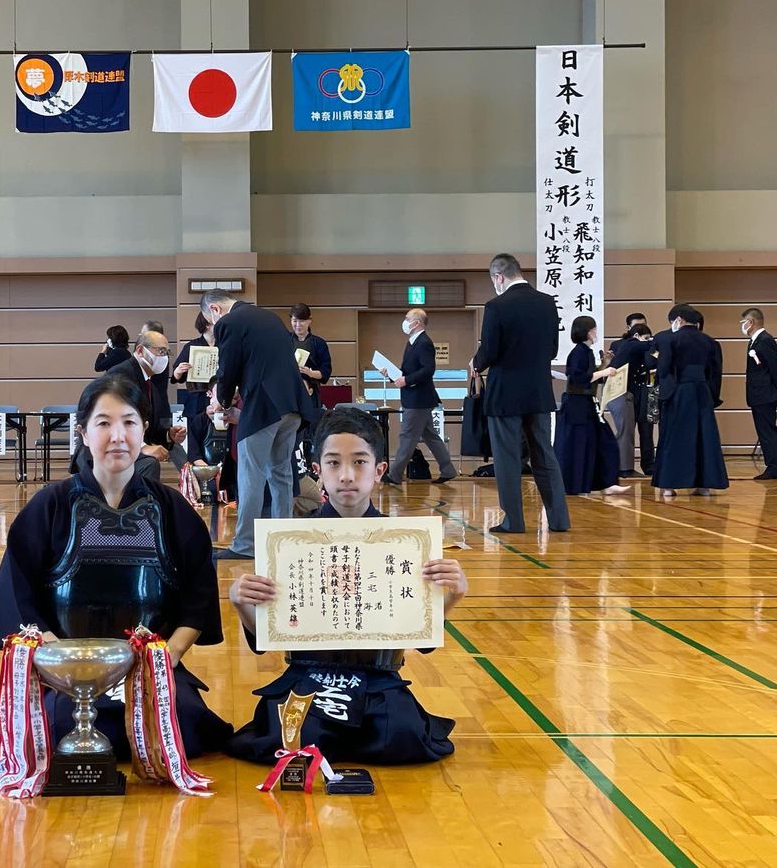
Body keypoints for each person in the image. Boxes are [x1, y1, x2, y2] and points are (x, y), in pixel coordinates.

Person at [0, 373, 232, 762]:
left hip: (150, 673)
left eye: (129, 422)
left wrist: (166, 658)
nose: (118, 435)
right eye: (104, 423)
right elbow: (19, 596)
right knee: (55, 729)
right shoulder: (50, 506)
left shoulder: (172, 510)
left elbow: (197, 597)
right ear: (83, 432)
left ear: (144, 430)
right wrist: (64, 666)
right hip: (66, 676)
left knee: (184, 723)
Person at [226, 407, 466, 765]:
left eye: (359, 463)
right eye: (334, 464)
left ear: (379, 470)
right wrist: (240, 603)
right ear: (318, 470)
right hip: (308, 676)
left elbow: (420, 642)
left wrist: (451, 596)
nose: (347, 476)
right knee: (289, 739)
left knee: (402, 737)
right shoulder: (289, 543)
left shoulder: (404, 544)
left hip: (377, 679)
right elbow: (265, 641)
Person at [200, 290, 312, 560]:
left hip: (264, 407)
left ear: (215, 310)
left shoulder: (229, 322)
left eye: (210, 320)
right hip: (292, 404)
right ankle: (282, 540)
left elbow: (228, 369)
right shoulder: (269, 317)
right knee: (281, 474)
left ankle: (246, 545)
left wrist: (223, 402)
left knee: (250, 474)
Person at [470, 254, 570, 534]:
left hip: (505, 394)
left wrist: (476, 363)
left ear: (498, 277)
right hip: (539, 391)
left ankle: (514, 521)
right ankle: (560, 520)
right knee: (544, 455)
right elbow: (551, 350)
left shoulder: (496, 306)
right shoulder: (547, 303)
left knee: (508, 458)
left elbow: (489, 350)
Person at [74, 329, 184, 483]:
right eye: (160, 351)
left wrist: (168, 434)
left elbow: (149, 425)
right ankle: (140, 506)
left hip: (126, 449)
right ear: (140, 350)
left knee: (166, 458)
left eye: (167, 352)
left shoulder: (149, 383)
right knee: (149, 464)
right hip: (101, 452)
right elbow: (113, 421)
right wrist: (143, 447)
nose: (164, 357)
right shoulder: (120, 376)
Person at [651, 305, 728, 497]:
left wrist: (665, 392)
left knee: (674, 436)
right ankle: (704, 485)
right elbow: (715, 373)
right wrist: (712, 396)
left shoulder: (671, 339)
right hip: (702, 391)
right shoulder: (710, 342)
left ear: (678, 320)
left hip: (679, 391)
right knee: (704, 437)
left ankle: (669, 485)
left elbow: (663, 369)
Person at [554, 316, 631, 496]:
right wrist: (605, 371)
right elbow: (578, 379)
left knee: (602, 441)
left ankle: (606, 482)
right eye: (594, 330)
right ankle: (580, 484)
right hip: (577, 405)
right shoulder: (580, 352)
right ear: (588, 331)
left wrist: (603, 365)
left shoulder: (585, 352)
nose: (596, 333)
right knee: (581, 445)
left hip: (585, 404)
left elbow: (589, 378)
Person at [381, 309, 458, 486]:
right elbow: (409, 371)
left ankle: (394, 474)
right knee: (431, 436)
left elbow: (428, 370)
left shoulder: (424, 343)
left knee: (407, 436)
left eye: (407, 319)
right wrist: (392, 375)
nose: (405, 321)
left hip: (418, 400)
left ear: (417, 323)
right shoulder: (412, 342)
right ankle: (448, 470)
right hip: (415, 397)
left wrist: (406, 380)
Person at [610, 322, 655, 476]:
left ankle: (641, 466)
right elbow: (650, 347)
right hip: (622, 392)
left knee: (642, 429)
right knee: (626, 431)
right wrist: (659, 341)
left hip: (638, 392)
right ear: (636, 335)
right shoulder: (630, 344)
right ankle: (624, 468)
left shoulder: (634, 348)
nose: (648, 341)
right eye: (646, 337)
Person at [186, 381, 238, 501]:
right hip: (208, 475)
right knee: (211, 492)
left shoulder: (238, 417)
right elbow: (194, 456)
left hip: (234, 474)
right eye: (220, 393)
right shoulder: (200, 421)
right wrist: (214, 473)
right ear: (210, 394)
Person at [742, 308, 777, 480]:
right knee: (764, 431)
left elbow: (774, 368)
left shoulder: (765, 341)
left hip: (766, 395)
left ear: (751, 322)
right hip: (758, 395)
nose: (742, 326)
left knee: (767, 431)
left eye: (744, 322)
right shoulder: (755, 342)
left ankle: (774, 466)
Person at [171, 312, 216, 421]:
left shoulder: (224, 345)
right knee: (195, 435)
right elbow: (177, 376)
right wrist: (178, 372)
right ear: (207, 324)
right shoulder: (191, 346)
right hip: (196, 400)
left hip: (218, 398)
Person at [289, 303, 332, 407]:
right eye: (295, 321)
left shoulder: (319, 343)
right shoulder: (285, 341)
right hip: (289, 391)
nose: (298, 325)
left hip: (311, 391)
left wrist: (310, 373)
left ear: (309, 320)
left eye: (302, 321)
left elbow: (326, 372)